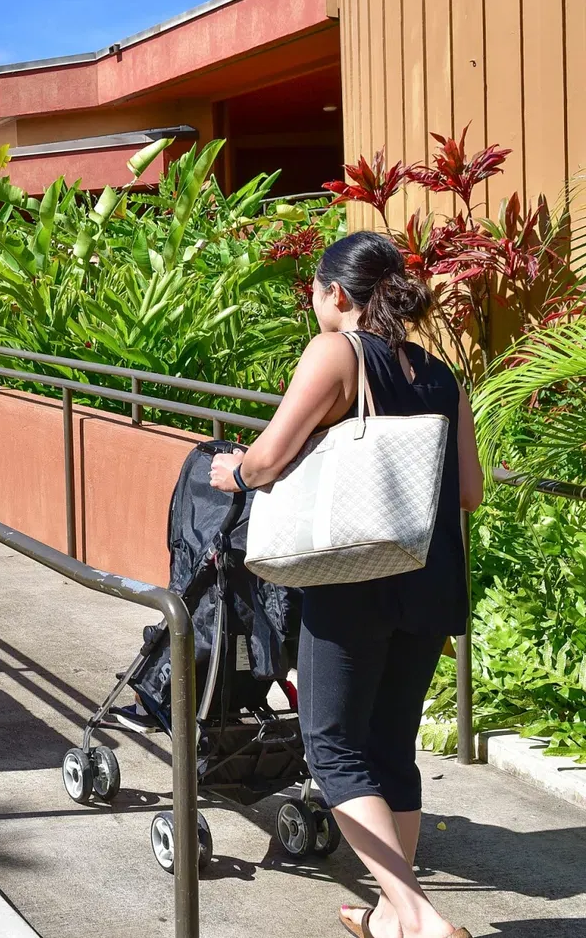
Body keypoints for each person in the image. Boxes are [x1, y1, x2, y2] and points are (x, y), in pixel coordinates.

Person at [208, 232, 482, 938]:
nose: (313, 305)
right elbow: (470, 491)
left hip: (355, 574)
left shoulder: (337, 351)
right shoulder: (442, 371)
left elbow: (269, 457)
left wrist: (234, 472)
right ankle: (392, 913)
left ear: (338, 293)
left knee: (330, 744)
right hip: (430, 576)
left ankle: (417, 914)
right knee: (393, 745)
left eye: (315, 293)